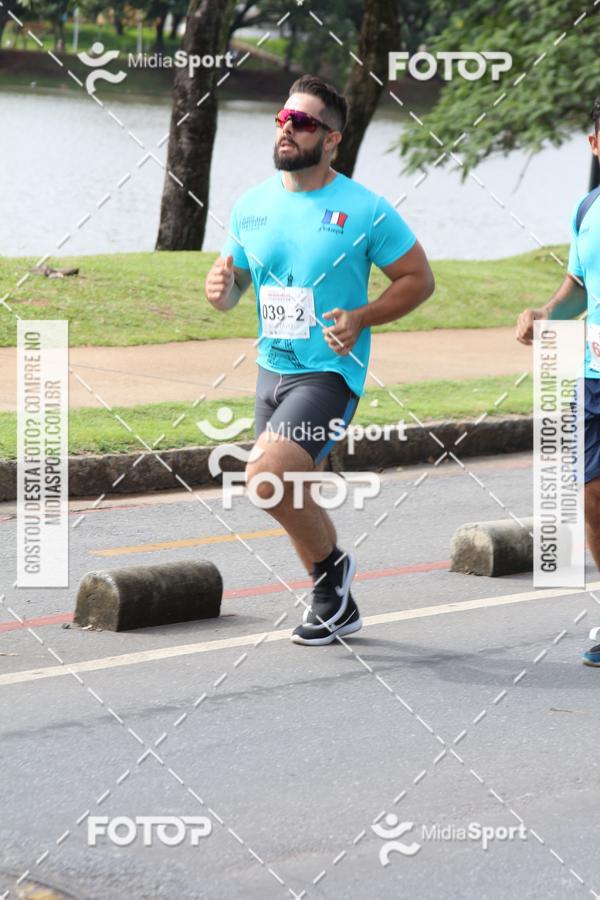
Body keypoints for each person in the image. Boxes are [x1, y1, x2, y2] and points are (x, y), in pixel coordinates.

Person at [205, 74, 434, 646]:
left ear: (331, 139)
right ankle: (334, 588)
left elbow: (418, 280)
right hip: (270, 370)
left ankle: (331, 579)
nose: (288, 129)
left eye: (303, 122)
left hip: (330, 371)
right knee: (280, 489)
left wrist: (361, 317)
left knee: (267, 475)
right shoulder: (251, 206)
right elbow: (236, 288)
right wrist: (222, 288)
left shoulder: (365, 210)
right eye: (284, 119)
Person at [516, 96, 600, 666]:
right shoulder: (587, 209)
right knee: (591, 495)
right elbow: (577, 286)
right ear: (595, 144)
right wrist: (547, 314)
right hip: (593, 375)